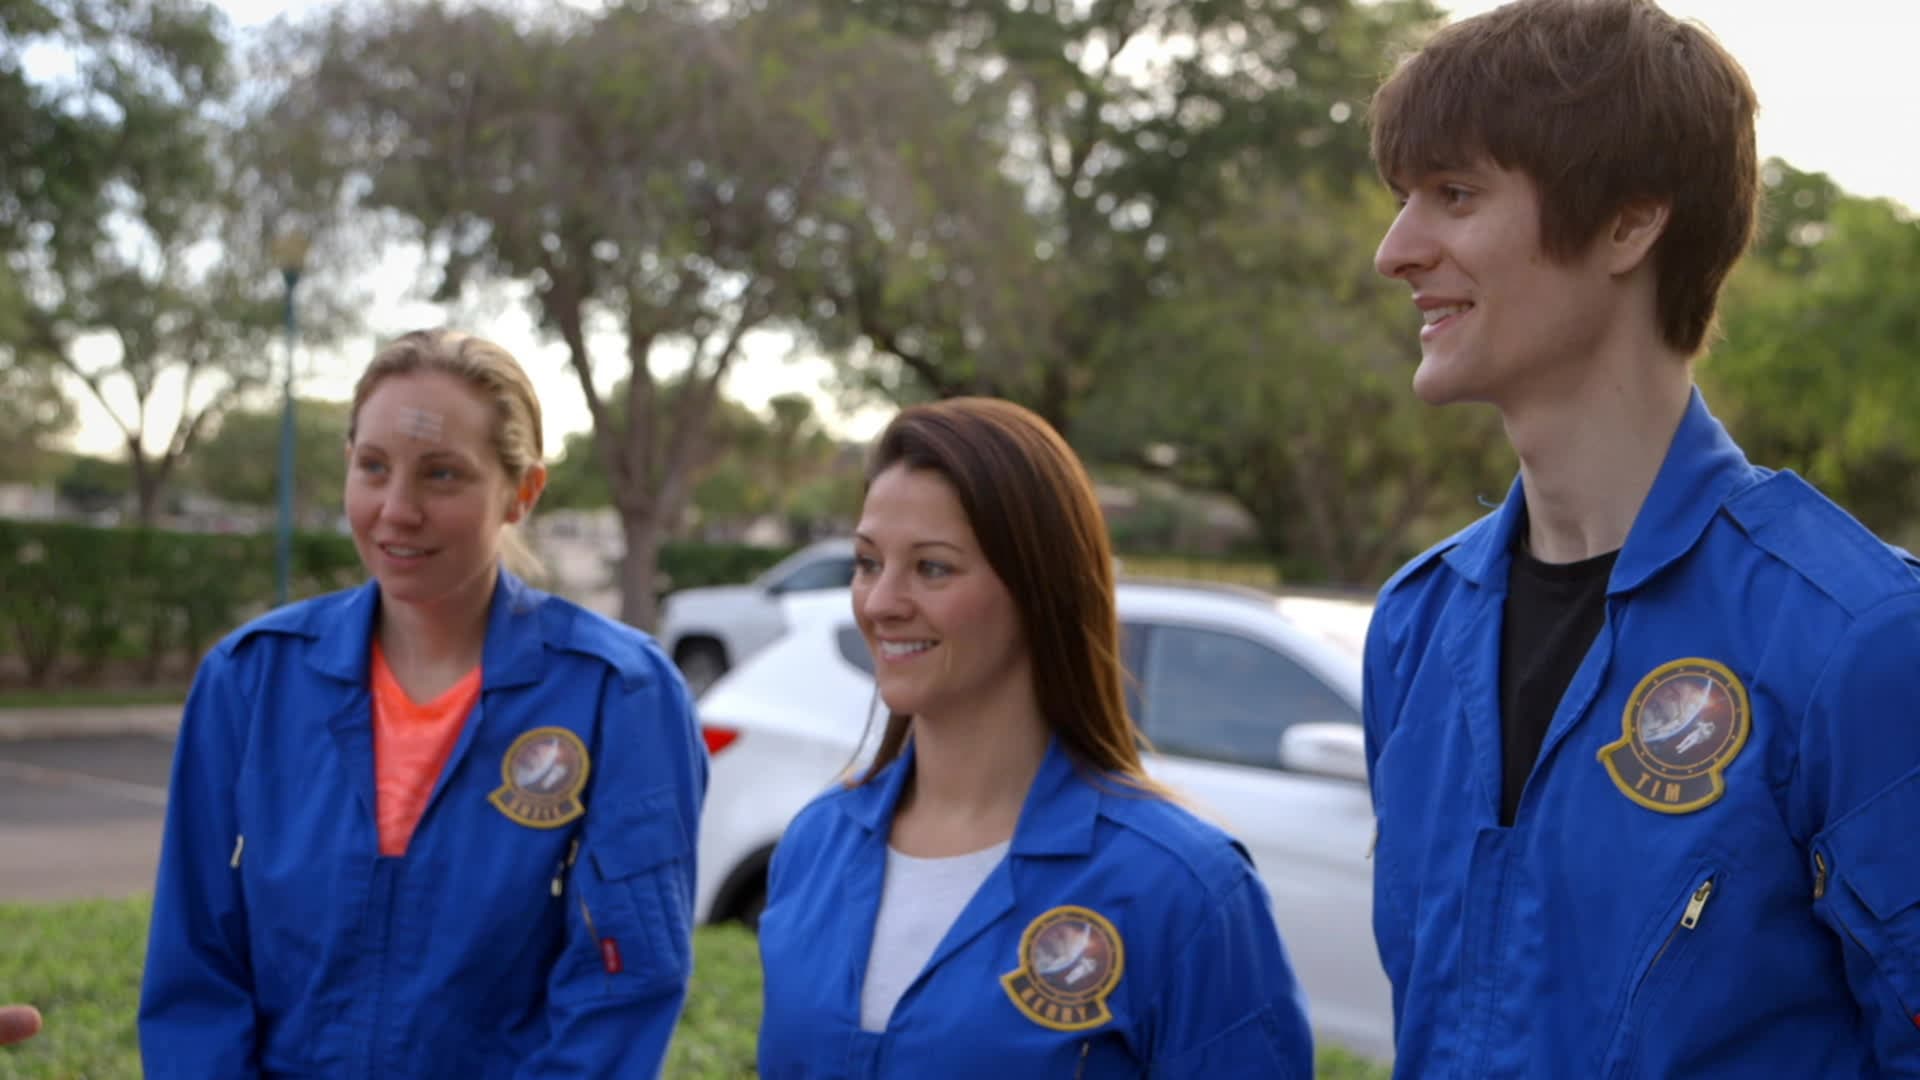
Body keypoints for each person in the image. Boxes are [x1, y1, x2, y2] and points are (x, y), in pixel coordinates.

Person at [1362, 0, 1920, 1074]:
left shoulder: (1861, 643)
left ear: (1630, 223)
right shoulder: (1412, 628)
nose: (1396, 251)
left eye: (1456, 195)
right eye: (1403, 201)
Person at [138, 329, 706, 1077]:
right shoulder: (250, 680)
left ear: (522, 493)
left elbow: (625, 984)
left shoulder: (618, 692)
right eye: (374, 467)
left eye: (442, 475)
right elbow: (194, 970)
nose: (397, 510)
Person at [755, 396, 1313, 1078]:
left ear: (1040, 590)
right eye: (868, 562)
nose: (879, 603)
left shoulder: (1182, 887)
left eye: (932, 567)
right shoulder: (816, 845)